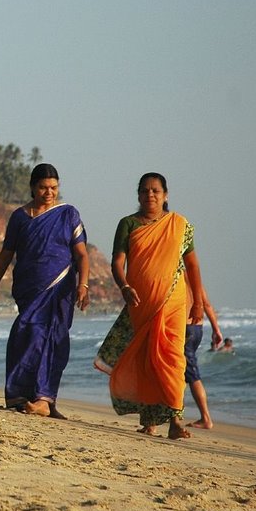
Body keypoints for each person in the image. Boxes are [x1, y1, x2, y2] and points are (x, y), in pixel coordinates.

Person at [94, 172, 207, 440]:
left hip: (174, 301)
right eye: (144, 191)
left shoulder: (179, 225)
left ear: (165, 195)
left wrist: (198, 303)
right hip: (140, 302)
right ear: (138, 195)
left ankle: (176, 420)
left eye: (155, 190)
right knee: (148, 359)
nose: (150, 195)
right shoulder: (128, 225)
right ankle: (149, 420)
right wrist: (124, 286)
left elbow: (192, 265)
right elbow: (117, 263)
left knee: (172, 358)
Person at [0, 163, 90, 418]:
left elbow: (82, 255)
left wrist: (82, 285)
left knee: (53, 339)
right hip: (29, 289)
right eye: (43, 187)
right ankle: (23, 395)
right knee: (25, 335)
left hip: (60, 288)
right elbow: (5, 256)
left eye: (53, 187)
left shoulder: (68, 214)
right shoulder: (19, 217)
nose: (49, 192)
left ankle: (43, 398)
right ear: (32, 187)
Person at [185, 296, 224, 430]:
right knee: (184, 371)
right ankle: (175, 414)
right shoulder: (194, 280)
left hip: (185, 328)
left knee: (191, 374)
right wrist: (216, 329)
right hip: (197, 329)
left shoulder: (178, 276)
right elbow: (206, 304)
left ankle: (206, 418)